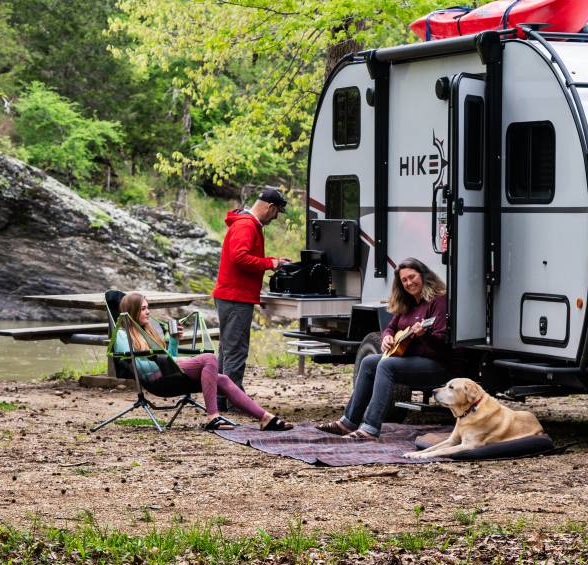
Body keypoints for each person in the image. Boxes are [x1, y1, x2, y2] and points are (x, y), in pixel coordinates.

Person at [317, 258, 453, 440]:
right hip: (413, 359)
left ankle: (370, 429)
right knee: (368, 362)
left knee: (386, 365)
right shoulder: (408, 303)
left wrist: (423, 335)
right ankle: (347, 423)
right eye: (404, 280)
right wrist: (387, 337)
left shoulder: (438, 301)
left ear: (424, 275)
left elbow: (441, 343)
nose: (409, 283)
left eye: (412, 277)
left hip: (439, 364)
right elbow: (391, 327)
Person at [116, 292, 292, 431]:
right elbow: (143, 365)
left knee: (221, 379)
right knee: (208, 358)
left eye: (148, 308)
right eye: (143, 309)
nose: (148, 312)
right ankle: (212, 416)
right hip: (156, 379)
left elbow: (167, 356)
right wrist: (170, 359)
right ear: (131, 311)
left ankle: (265, 418)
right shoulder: (122, 335)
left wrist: (174, 340)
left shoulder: (150, 331)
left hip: (168, 373)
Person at [211, 187, 291, 410]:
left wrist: (272, 261)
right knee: (235, 350)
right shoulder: (247, 225)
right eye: (276, 213)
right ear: (270, 207)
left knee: (227, 349)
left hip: (232, 295)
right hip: (236, 297)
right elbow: (239, 258)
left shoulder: (245, 223)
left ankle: (221, 399)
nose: (275, 218)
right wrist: (270, 263)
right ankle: (236, 402)